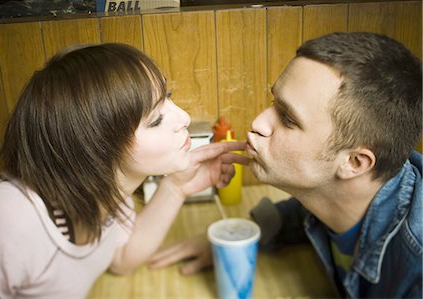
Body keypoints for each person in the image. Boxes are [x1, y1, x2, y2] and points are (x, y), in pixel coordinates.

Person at [149, 32, 422, 298]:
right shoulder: (339, 196)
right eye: (273, 102)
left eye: (288, 119)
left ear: (354, 162)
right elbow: (303, 212)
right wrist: (246, 234)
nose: (258, 123)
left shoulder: (415, 267)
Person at [0, 43, 249, 298]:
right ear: (94, 148)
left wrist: (177, 188)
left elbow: (121, 259)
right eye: (156, 120)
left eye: (168, 97)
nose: (184, 118)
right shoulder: (7, 220)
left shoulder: (108, 192)